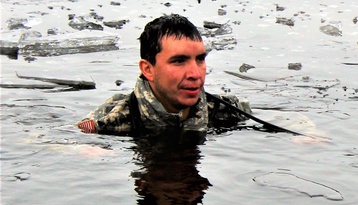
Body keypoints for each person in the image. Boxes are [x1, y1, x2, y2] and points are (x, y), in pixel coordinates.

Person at [78, 14, 250, 135]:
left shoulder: (227, 112)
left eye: (200, 59)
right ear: (148, 69)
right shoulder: (111, 121)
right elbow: (63, 142)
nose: (195, 74)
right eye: (178, 61)